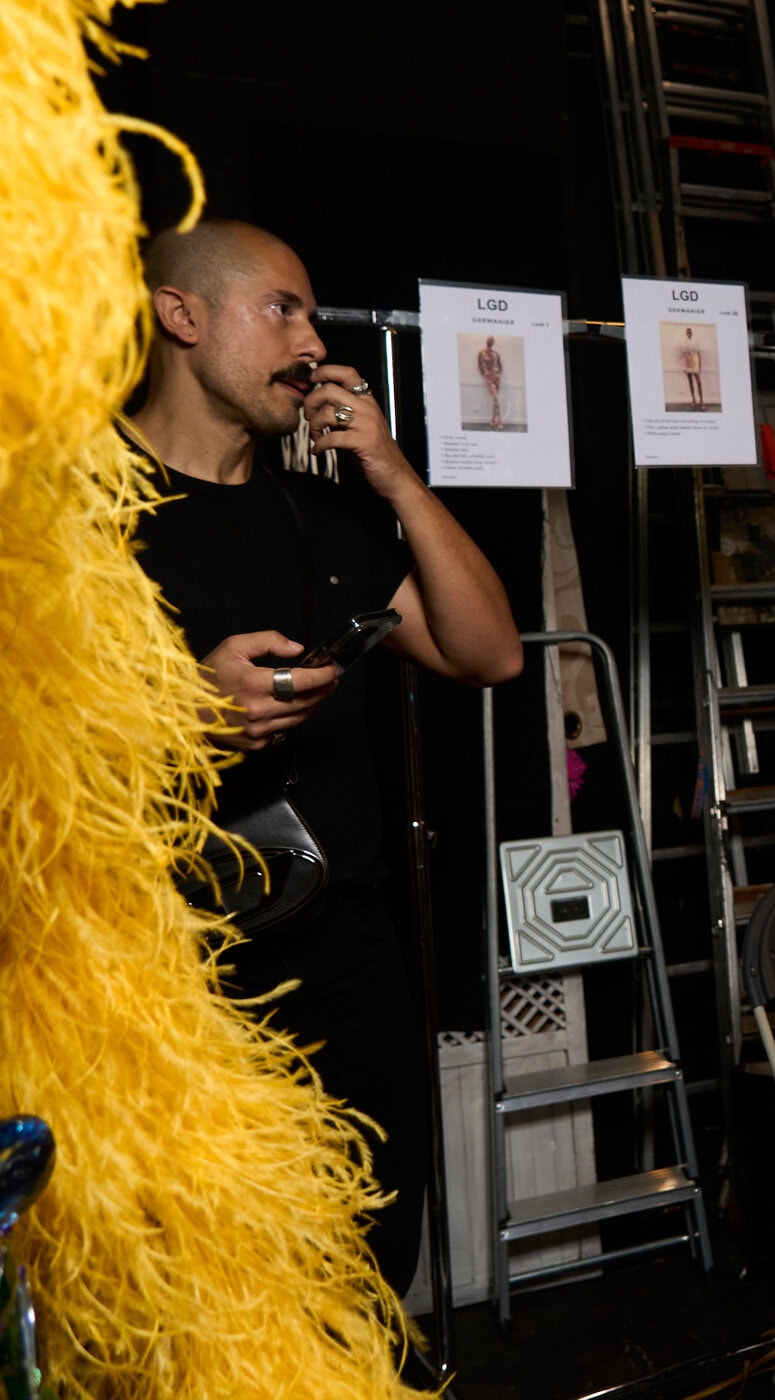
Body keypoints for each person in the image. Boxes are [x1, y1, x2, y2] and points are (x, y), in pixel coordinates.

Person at [126, 218, 524, 1294]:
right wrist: (179, 713)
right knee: (207, 1298)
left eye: (311, 315)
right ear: (182, 316)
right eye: (281, 309)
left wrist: (392, 474)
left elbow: (489, 653)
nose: (311, 341)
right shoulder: (73, 505)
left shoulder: (324, 513)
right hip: (166, 979)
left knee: (368, 1277)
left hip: (343, 963)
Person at [478, 333, 504, 428]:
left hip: (496, 377)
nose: (489, 341)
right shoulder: (481, 353)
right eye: (488, 339)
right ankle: (499, 420)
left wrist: (499, 374)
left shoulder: (496, 354)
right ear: (486, 341)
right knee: (496, 397)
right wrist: (484, 374)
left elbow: (500, 365)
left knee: (495, 399)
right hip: (488, 378)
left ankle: (493, 419)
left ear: (493, 343)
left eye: (491, 340)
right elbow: (479, 365)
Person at [679, 327, 703, 407]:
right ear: (686, 333)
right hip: (688, 363)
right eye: (687, 332)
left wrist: (700, 365)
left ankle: (702, 401)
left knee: (699, 382)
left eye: (690, 332)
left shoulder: (695, 341)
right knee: (690, 382)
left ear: (692, 333)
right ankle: (693, 399)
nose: (689, 333)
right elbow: (683, 355)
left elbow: (699, 353)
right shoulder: (684, 342)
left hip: (695, 363)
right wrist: (684, 367)